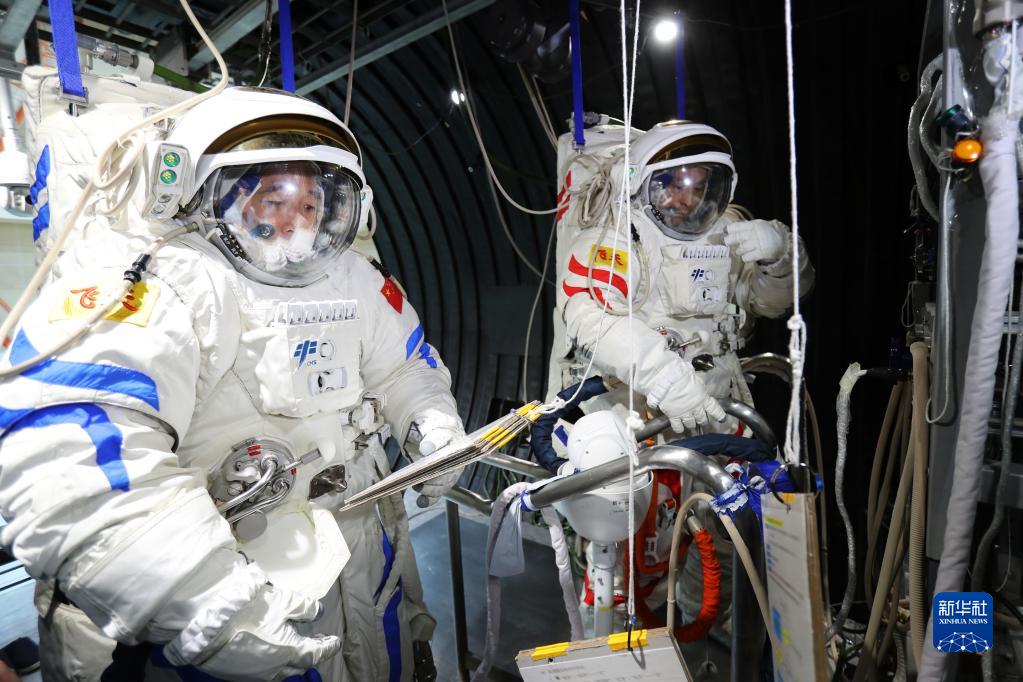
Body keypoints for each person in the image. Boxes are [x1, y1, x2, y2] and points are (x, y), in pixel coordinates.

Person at [0, 86, 464, 681]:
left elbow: (406, 367)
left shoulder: (355, 280)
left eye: (311, 202)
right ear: (223, 196)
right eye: (275, 199)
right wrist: (210, 606)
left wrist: (431, 425)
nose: (296, 221)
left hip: (363, 558)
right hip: (244, 581)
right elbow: (71, 451)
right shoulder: (170, 280)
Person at [548, 120, 814, 632]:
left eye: (699, 184)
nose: (685, 197)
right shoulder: (619, 238)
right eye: (672, 182)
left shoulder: (728, 237)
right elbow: (589, 316)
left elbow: (772, 301)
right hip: (640, 421)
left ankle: (701, 633)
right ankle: (618, 644)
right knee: (630, 555)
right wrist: (670, 380)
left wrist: (782, 254)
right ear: (642, 183)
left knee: (727, 541)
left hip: (716, 416)